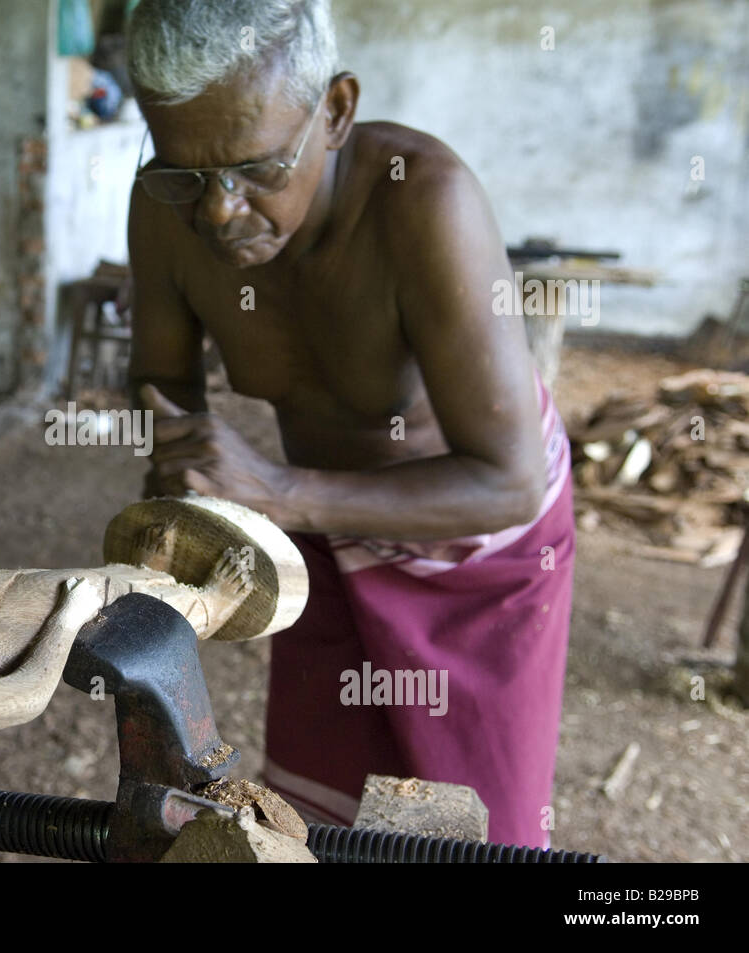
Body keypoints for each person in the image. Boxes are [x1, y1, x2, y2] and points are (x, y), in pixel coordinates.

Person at [124, 0, 574, 848]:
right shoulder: (165, 205)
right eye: (185, 172)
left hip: (475, 547)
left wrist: (281, 493)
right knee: (332, 809)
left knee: (477, 819)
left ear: (335, 111)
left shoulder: (422, 204)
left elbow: (508, 481)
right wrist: (179, 465)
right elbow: (159, 377)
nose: (218, 210)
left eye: (256, 168)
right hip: (321, 532)